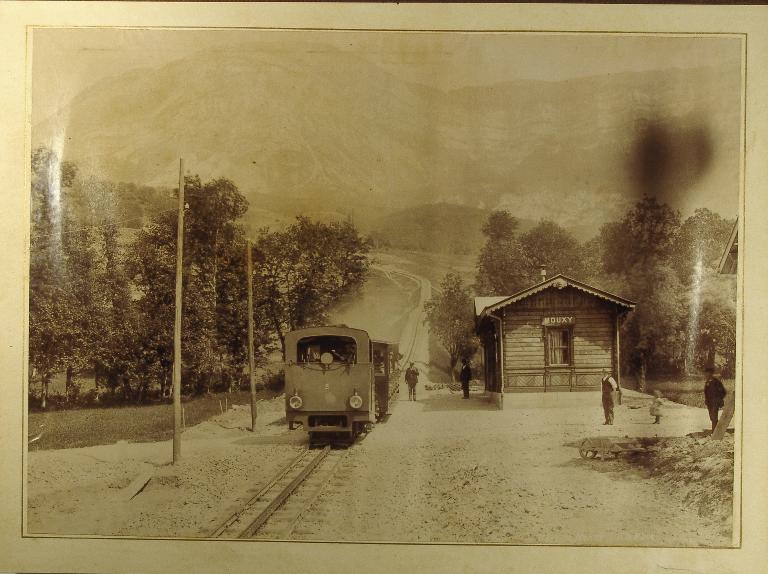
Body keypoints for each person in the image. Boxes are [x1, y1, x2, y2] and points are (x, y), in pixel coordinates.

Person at [704, 366, 726, 432]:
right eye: (705, 373)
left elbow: (723, 392)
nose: (706, 374)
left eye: (708, 373)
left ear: (711, 373)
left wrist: (719, 399)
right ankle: (717, 429)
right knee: (711, 416)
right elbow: (706, 393)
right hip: (709, 402)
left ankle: (715, 432)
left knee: (714, 417)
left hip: (715, 402)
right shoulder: (707, 382)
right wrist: (706, 399)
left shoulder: (716, 382)